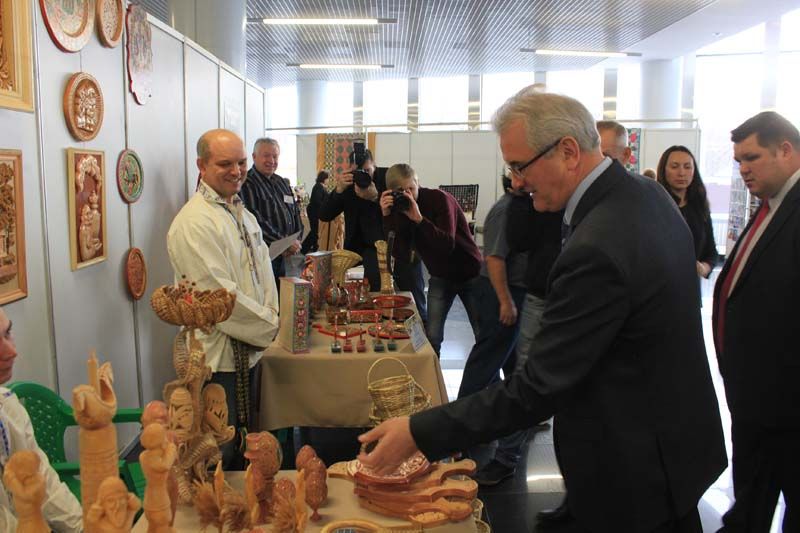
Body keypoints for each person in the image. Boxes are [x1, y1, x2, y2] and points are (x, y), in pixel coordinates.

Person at [360, 89, 727, 532]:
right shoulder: (647, 194)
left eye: (520, 166)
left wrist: (419, 432)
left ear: (568, 152)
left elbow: (536, 386)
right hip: (670, 444)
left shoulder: (599, 244)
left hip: (635, 467)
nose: (516, 181)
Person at [167, 129, 280, 469]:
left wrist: (272, 314)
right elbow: (218, 299)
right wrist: (271, 325)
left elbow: (264, 273)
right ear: (201, 165)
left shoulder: (242, 213)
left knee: (247, 449)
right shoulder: (194, 222)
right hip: (216, 362)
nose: (236, 171)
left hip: (250, 351)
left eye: (241, 162)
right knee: (219, 453)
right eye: (225, 164)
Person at [713, 111, 800, 532]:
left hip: (786, 402)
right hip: (756, 398)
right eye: (739, 162)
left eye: (752, 158)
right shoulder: (771, 205)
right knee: (750, 498)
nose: (743, 170)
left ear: (785, 150)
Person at [468, 174, 562, 488]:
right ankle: (478, 432)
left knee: (510, 362)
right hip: (520, 293)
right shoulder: (512, 208)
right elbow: (496, 256)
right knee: (497, 361)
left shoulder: (543, 204)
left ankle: (502, 426)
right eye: (519, 172)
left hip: (534, 293)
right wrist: (505, 300)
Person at [381, 163, 481, 356]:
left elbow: (447, 245)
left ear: (418, 183)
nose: (408, 195)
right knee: (433, 336)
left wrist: (419, 219)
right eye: (401, 191)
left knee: (482, 333)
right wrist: (387, 216)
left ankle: (489, 376)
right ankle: (431, 373)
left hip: (470, 273)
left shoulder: (439, 199)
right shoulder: (399, 209)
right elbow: (401, 254)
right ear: (391, 193)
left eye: (411, 188)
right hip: (440, 276)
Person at [0, 307, 84, 532]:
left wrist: (83, 527)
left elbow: (43, 483)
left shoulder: (8, 407)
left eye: (7, 333)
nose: (11, 352)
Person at [319, 148, 427, 322]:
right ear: (350, 169)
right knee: (377, 295)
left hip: (401, 244)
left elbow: (407, 205)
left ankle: (421, 328)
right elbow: (324, 215)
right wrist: (338, 190)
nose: (363, 175)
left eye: (367, 171)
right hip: (370, 249)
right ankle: (383, 326)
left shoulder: (389, 178)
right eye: (357, 172)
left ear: (375, 166)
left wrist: (375, 197)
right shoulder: (348, 185)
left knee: (413, 292)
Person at [239, 137, 303, 285]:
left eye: (275, 156)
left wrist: (296, 240)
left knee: (285, 294)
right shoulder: (247, 183)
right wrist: (284, 243)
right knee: (268, 294)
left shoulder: (282, 182)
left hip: (287, 256)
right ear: (254, 157)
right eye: (266, 155)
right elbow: (254, 219)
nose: (271, 161)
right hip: (264, 256)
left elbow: (295, 213)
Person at [657, 146, 718, 280]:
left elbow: (712, 253)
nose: (681, 173)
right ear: (663, 170)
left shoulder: (700, 206)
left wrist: (704, 268)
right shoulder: (653, 205)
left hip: (692, 285)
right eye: (674, 167)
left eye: (687, 167)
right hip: (660, 284)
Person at [302, 170, 330, 254]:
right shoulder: (318, 187)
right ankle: (306, 248)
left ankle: (309, 248)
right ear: (324, 178)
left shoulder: (321, 186)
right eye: (327, 178)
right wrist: (325, 207)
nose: (328, 180)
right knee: (315, 231)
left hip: (316, 212)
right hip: (314, 212)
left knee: (315, 231)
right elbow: (317, 201)